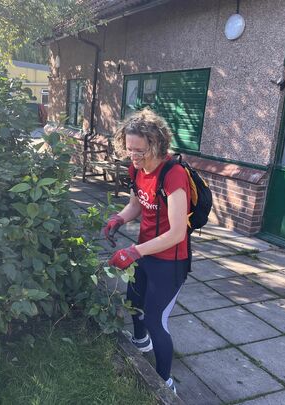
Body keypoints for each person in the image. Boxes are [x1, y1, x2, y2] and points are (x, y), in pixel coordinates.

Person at [103, 108, 190, 394]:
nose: (134, 156)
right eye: (129, 149)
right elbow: (136, 205)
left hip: (171, 260)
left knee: (155, 319)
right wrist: (119, 218)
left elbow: (177, 233)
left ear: (157, 144)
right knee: (133, 302)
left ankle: (165, 383)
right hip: (145, 253)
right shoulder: (136, 170)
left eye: (140, 150)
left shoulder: (173, 174)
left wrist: (134, 252)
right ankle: (141, 345)